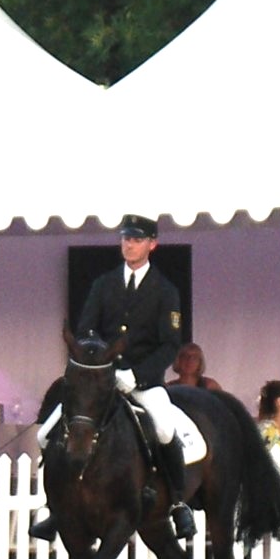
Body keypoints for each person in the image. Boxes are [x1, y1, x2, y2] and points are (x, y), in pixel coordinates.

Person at [30, 213, 195, 542]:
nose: (128, 245)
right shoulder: (103, 284)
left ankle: (178, 503)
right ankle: (54, 507)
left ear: (152, 244)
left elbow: (169, 345)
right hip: (101, 380)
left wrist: (137, 374)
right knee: (46, 434)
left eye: (136, 240)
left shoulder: (165, 290)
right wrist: (100, 365)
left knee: (164, 430)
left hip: (143, 381)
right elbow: (86, 331)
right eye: (125, 239)